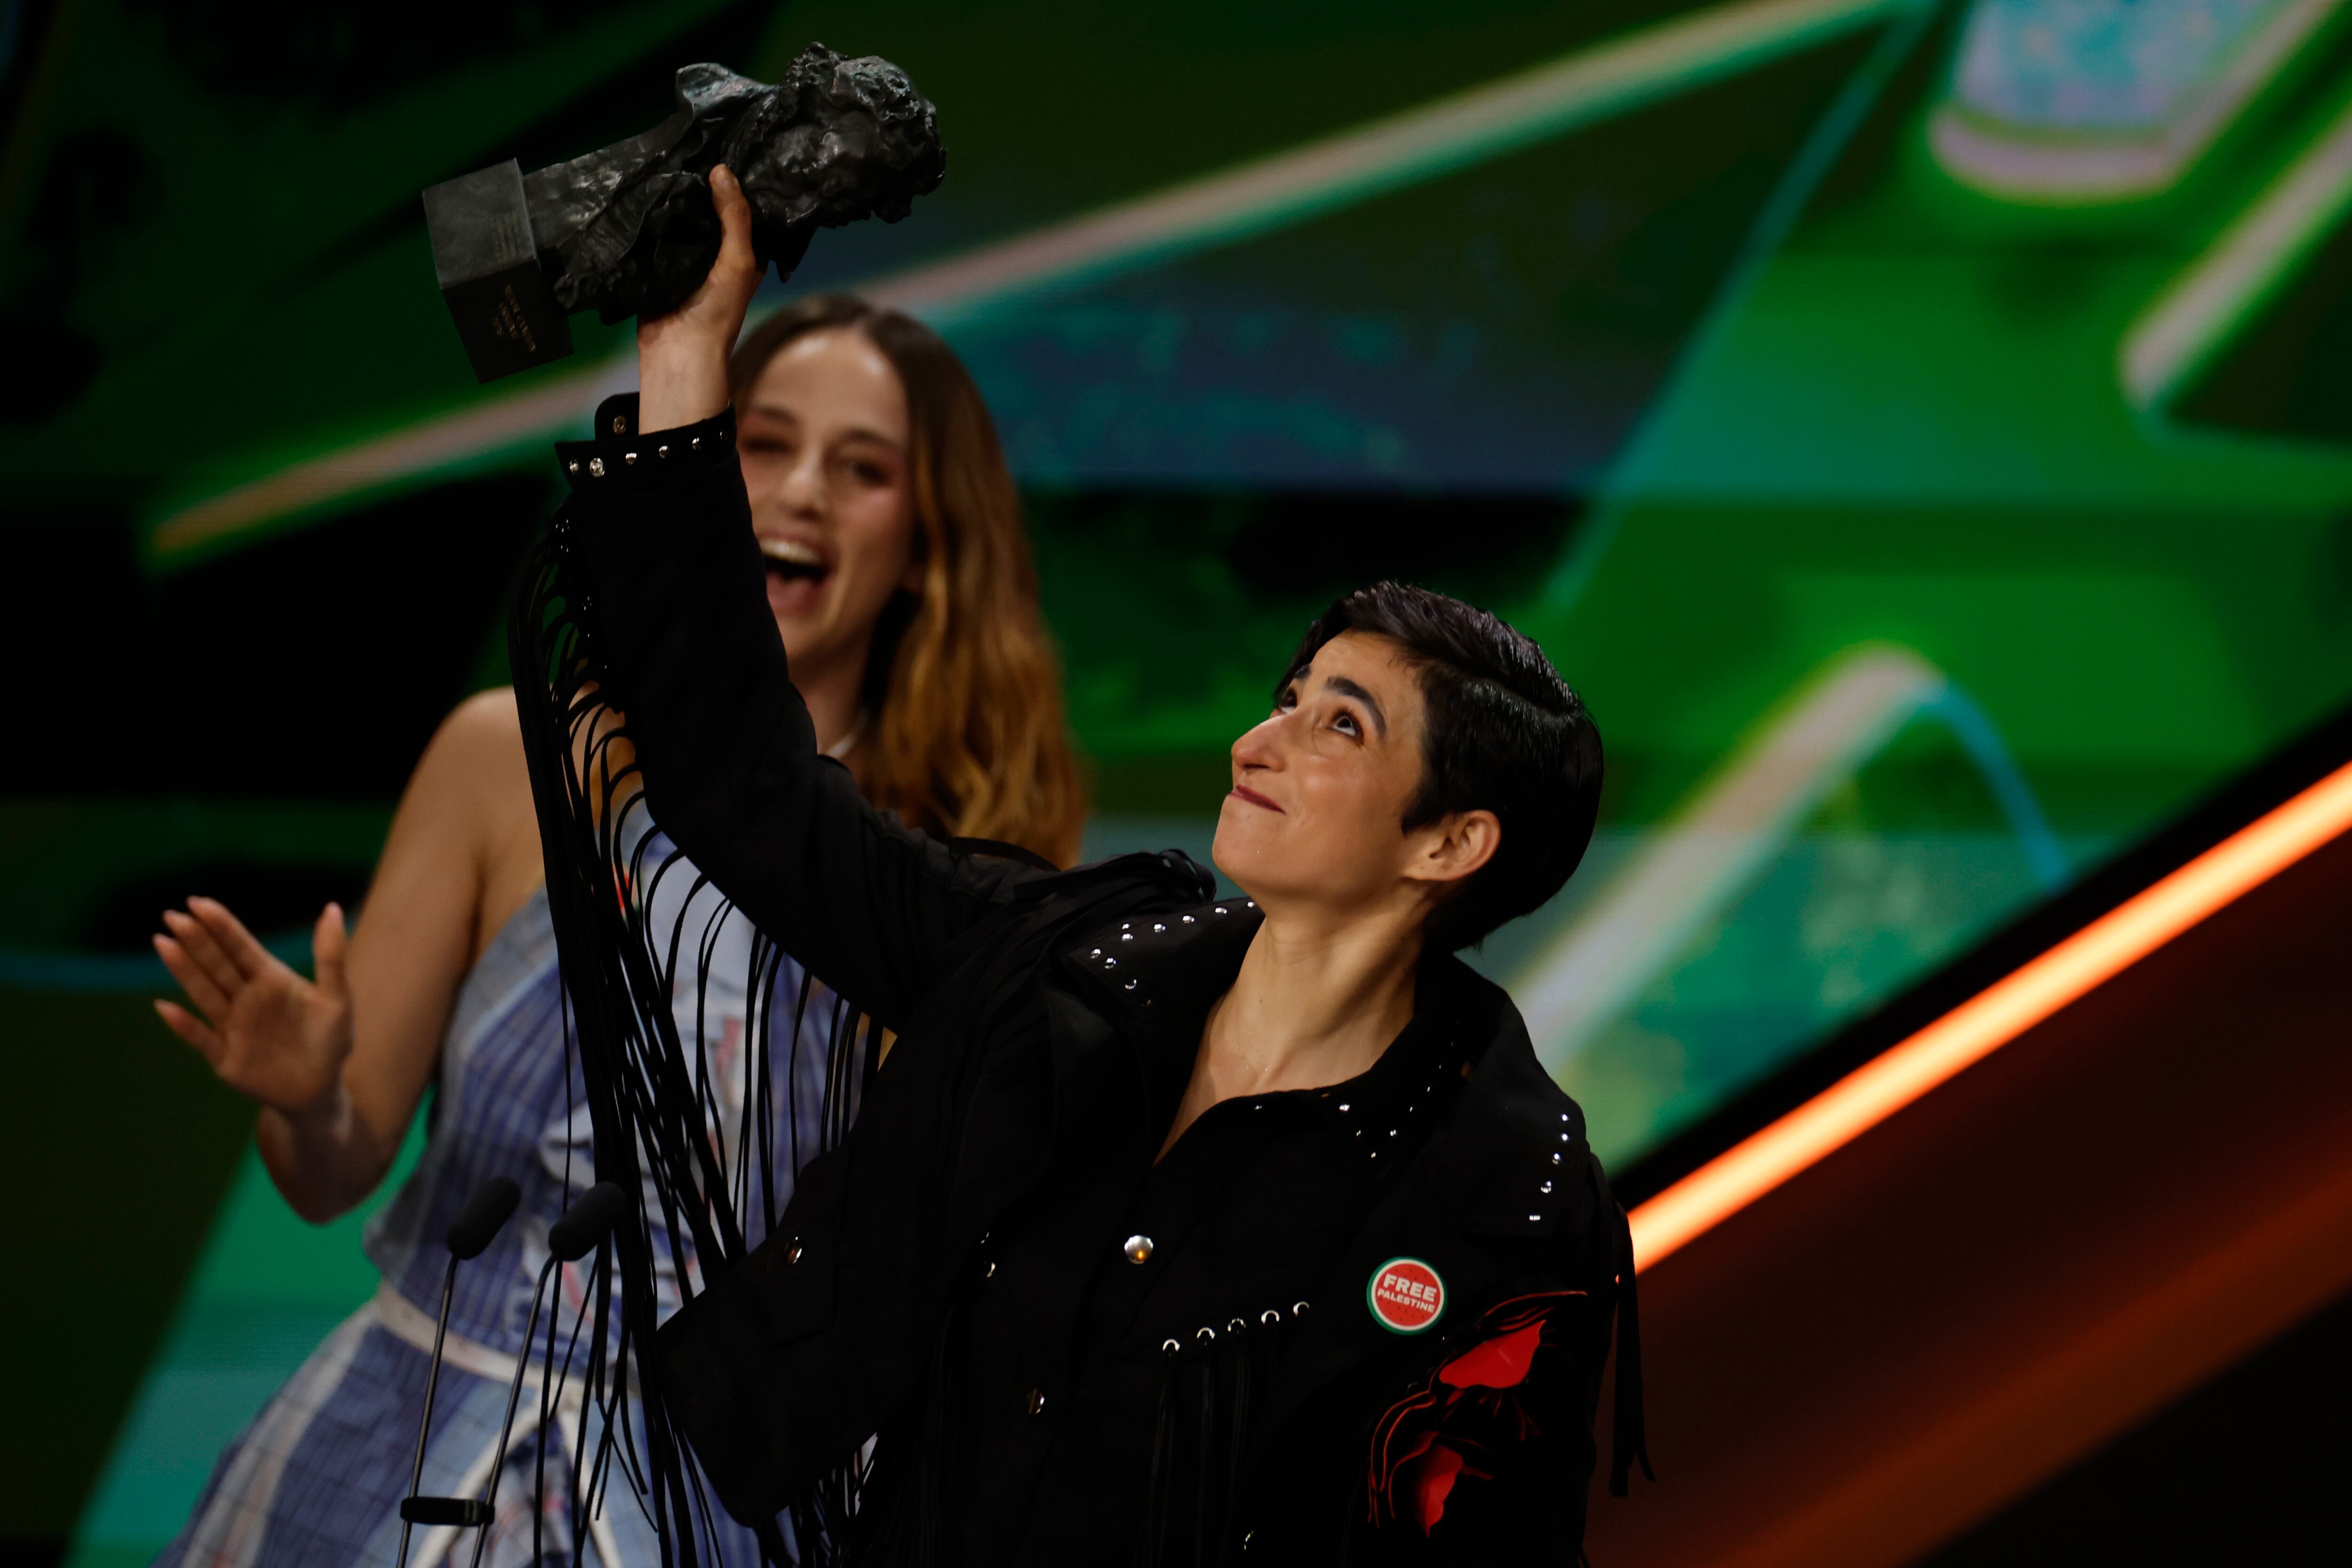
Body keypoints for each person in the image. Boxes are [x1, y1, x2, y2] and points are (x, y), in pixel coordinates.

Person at [536, 166, 1643, 1566]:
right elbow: (743, 787)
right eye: (1289, 694)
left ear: (1450, 842)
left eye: (1339, 725)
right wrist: (688, 353)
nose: (1264, 740)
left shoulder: (1503, 1204)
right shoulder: (1067, 958)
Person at [146, 282, 1086, 1568]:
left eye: (861, 469)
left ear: (927, 541)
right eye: (763, 442)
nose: (802, 489)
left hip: (710, 1516)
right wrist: (310, 1097)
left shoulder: (954, 875)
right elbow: (331, 1169)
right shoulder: (505, 757)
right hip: (391, 1460)